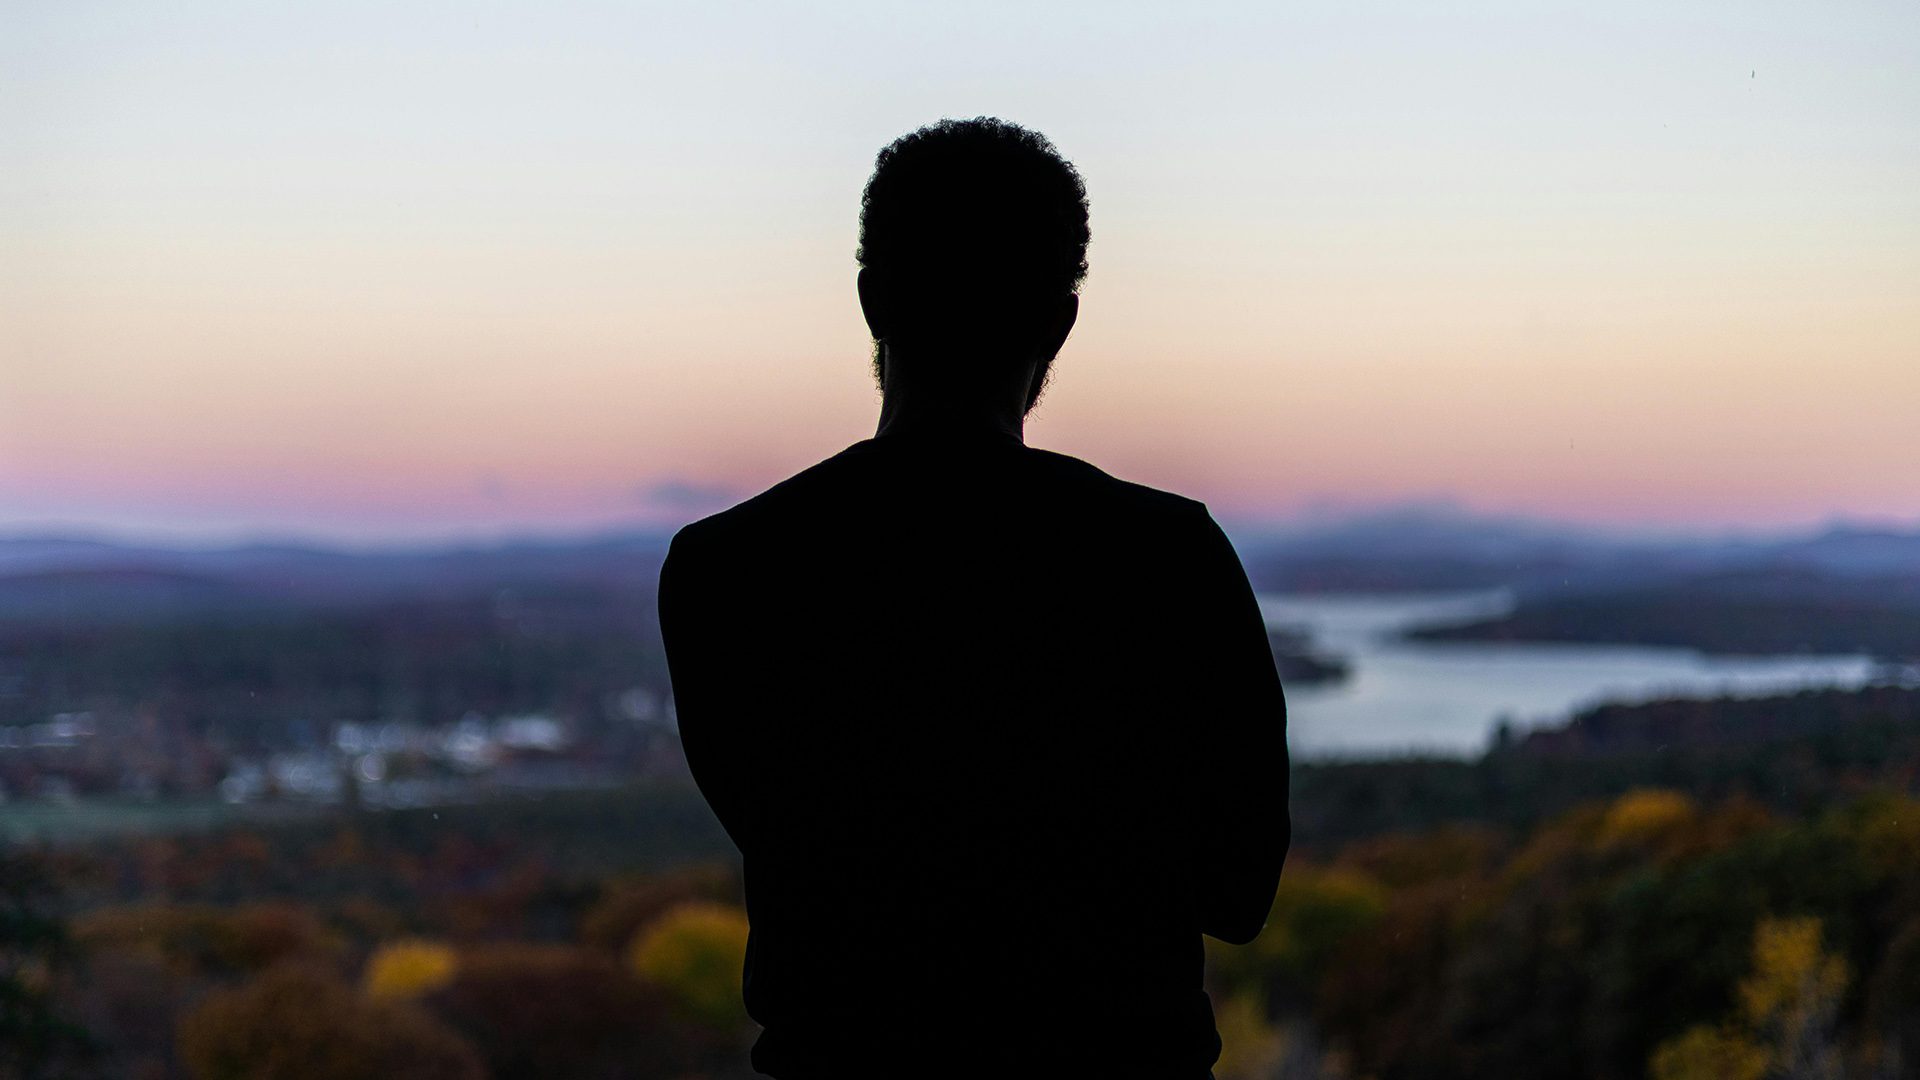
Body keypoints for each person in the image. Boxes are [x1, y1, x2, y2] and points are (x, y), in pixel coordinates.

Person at [657, 117, 1289, 1079]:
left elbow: (805, 851)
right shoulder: (1167, 557)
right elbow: (1239, 895)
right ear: (1059, 321)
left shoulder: (726, 570)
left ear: (872, 302)